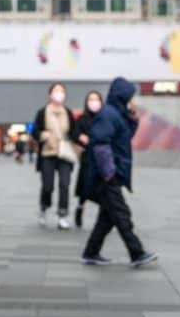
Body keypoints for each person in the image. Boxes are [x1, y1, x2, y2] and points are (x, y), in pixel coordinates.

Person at [80, 77, 158, 268]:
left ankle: (90, 252)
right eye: (129, 97)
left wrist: (132, 120)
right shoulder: (108, 114)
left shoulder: (116, 114)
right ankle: (137, 253)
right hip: (106, 177)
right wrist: (109, 173)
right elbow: (100, 144)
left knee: (107, 218)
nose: (132, 101)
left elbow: (122, 139)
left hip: (110, 175)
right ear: (122, 96)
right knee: (122, 214)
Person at [31, 83, 76, 230]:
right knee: (48, 185)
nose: (59, 94)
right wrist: (44, 135)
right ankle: (43, 208)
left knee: (64, 184)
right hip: (47, 153)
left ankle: (62, 215)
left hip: (64, 153)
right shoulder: (42, 112)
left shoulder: (68, 112)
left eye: (62, 91)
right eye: (56, 91)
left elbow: (74, 131)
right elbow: (35, 131)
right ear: (50, 95)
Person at [71, 90, 104, 229]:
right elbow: (74, 133)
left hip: (102, 158)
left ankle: (103, 215)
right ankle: (80, 208)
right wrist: (80, 138)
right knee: (85, 187)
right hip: (87, 158)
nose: (93, 102)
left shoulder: (104, 118)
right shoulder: (82, 119)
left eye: (96, 99)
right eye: (91, 99)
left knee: (103, 188)